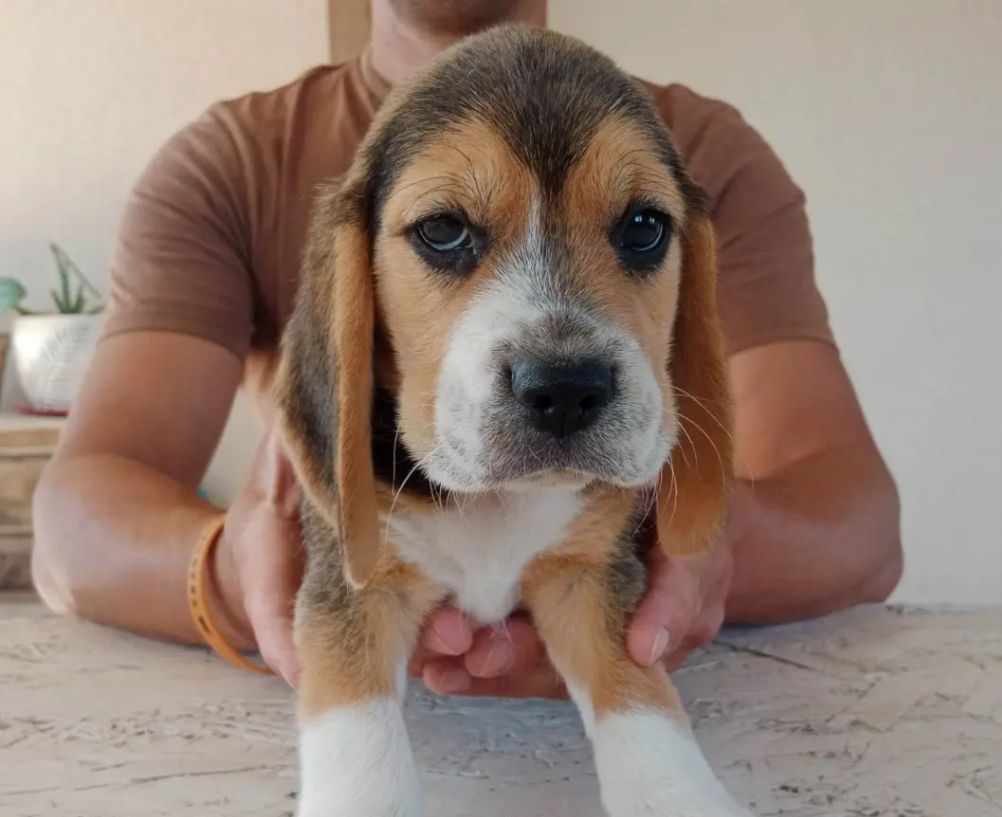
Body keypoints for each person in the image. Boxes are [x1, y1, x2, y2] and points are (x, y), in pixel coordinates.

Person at [31, 0, 902, 696]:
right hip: (357, 658)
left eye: (639, 229)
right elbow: (73, 529)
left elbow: (858, 530)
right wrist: (233, 573)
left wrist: (679, 549)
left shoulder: (702, 151)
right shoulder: (231, 163)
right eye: (443, 230)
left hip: (632, 687)